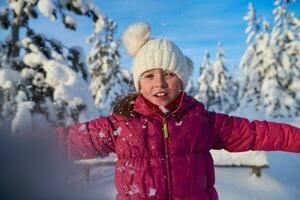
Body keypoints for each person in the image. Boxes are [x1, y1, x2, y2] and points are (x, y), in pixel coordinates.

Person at [57, 22, 300, 200]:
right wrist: (22, 152)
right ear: (138, 82)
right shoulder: (119, 125)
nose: (160, 83)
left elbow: (256, 133)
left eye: (169, 74)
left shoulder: (202, 121)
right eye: (149, 75)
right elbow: (67, 141)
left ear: (182, 80)